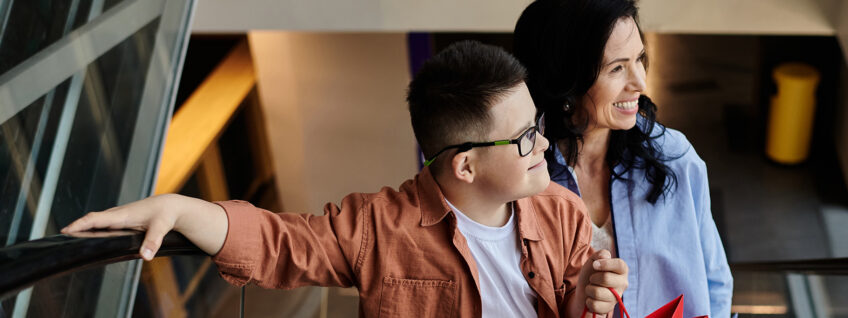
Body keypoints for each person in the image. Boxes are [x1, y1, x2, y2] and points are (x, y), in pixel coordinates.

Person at [62, 41, 627, 318]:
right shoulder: (379, 227)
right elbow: (280, 244)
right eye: (526, 137)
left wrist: (582, 307)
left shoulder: (562, 212)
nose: (546, 146)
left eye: (539, 126)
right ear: (465, 165)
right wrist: (180, 208)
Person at [513, 1, 734, 317]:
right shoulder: (524, 178)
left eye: (639, 59)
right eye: (617, 68)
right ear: (567, 78)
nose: (640, 83)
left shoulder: (675, 158)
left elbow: (716, 281)